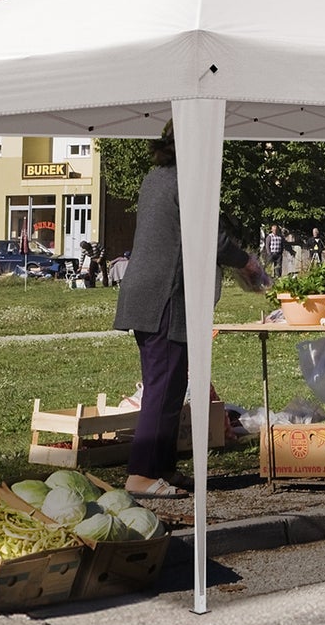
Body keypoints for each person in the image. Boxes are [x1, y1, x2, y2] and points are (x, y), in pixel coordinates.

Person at [114, 125, 268, 498]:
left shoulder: (158, 177)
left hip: (149, 293)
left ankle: (161, 467)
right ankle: (141, 475)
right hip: (163, 297)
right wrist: (246, 262)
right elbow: (209, 238)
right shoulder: (187, 181)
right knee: (163, 386)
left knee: (170, 385)